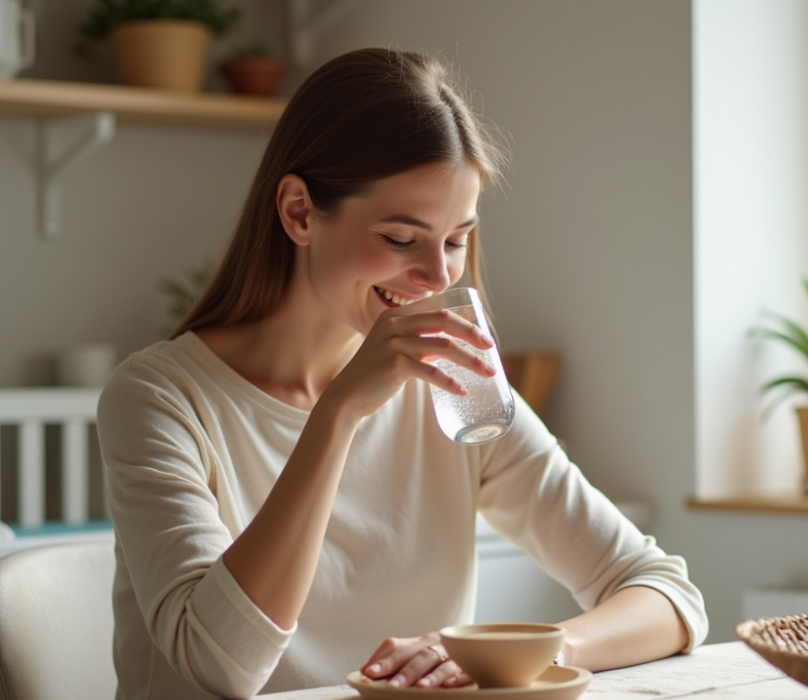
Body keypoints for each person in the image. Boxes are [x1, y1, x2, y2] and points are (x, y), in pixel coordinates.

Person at [97, 47, 708, 700]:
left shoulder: (456, 384)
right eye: (400, 238)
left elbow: (668, 596)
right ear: (299, 212)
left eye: (455, 239)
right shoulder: (159, 398)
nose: (439, 277)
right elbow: (220, 666)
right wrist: (337, 414)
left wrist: (512, 655)